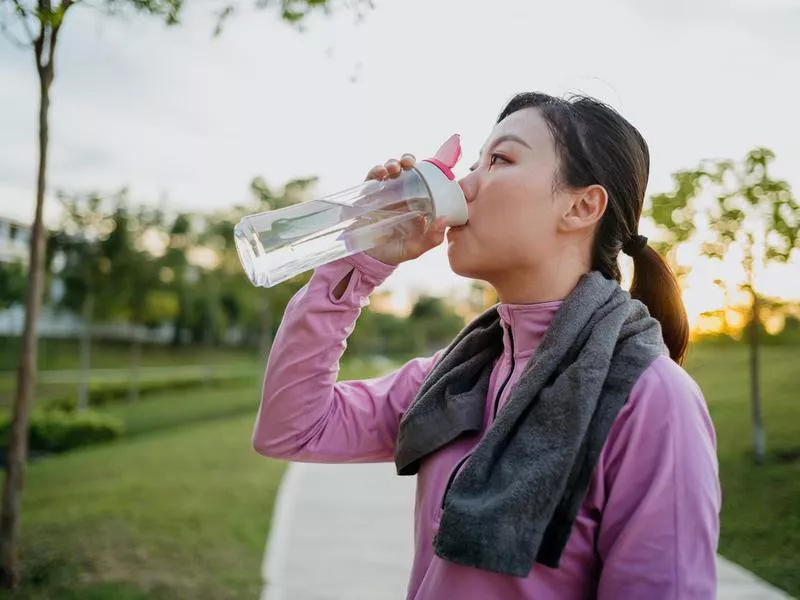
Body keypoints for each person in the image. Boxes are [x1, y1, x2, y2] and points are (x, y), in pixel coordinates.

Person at [252, 92, 721, 599]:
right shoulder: (455, 377)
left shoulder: (651, 400)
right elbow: (293, 429)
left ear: (582, 206)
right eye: (473, 162)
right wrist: (358, 262)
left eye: (499, 159)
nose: (464, 184)